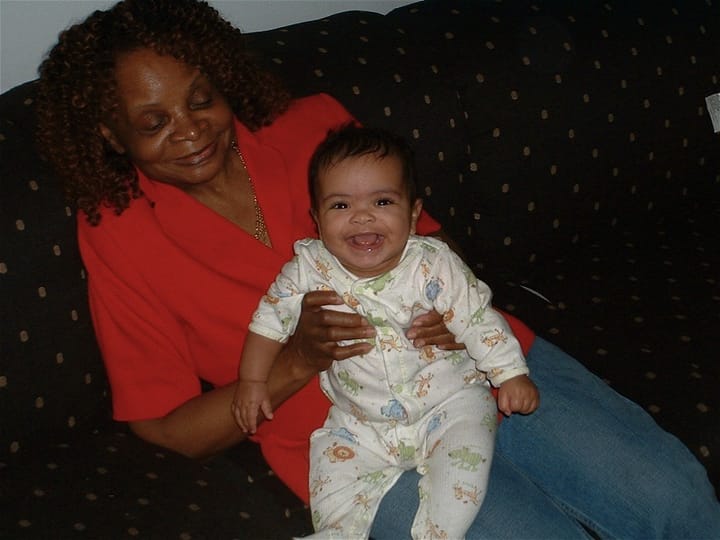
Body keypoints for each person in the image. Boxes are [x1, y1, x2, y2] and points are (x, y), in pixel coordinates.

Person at [34, 1, 720, 539]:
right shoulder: (118, 234)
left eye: (200, 98)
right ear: (107, 134)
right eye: (152, 122)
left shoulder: (310, 127)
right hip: (354, 441)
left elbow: (432, 241)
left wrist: (450, 313)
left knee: (670, 494)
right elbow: (167, 432)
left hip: (469, 366)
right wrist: (296, 359)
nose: (190, 130)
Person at [232, 124, 539, 538]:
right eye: (340, 206)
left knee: (461, 484)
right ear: (316, 219)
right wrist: (253, 381)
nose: (362, 216)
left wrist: (509, 373)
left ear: (413, 214)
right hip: (360, 423)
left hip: (449, 404)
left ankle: (438, 534)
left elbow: (477, 318)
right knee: (332, 474)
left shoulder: (434, 264)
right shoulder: (309, 268)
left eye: (381, 201)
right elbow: (267, 322)